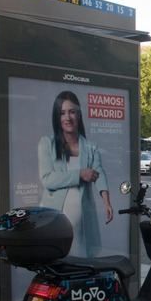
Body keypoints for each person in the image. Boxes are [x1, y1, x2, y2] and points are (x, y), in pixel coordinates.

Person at [38, 91, 113, 258]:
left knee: (80, 265)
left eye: (72, 111)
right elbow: (47, 180)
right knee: (55, 264)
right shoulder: (46, 143)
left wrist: (106, 202)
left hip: (81, 226)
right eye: (62, 113)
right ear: (57, 117)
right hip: (54, 221)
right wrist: (79, 174)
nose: (67, 117)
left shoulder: (90, 146)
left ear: (79, 115)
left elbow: (99, 171)